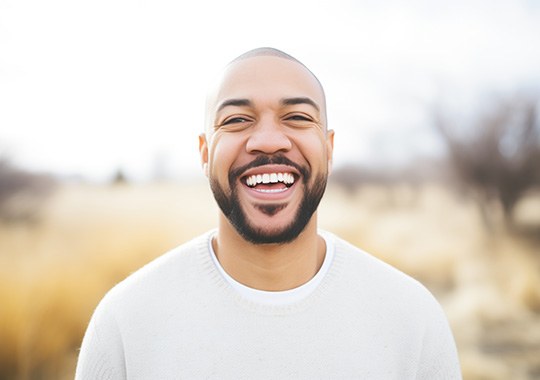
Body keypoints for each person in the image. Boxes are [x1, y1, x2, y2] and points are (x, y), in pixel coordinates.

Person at [75, 47, 461, 379]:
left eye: (297, 117)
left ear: (328, 148)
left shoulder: (413, 319)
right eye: (237, 120)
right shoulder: (125, 322)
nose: (268, 141)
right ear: (205, 153)